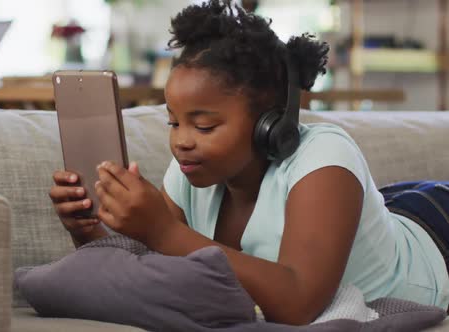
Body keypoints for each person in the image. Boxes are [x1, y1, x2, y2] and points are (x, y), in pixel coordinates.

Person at [49, 0, 449, 325]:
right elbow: (149, 274)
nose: (181, 141)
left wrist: (162, 230)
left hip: (436, 230)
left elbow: (298, 303)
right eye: (173, 122)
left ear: (269, 124)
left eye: (204, 126)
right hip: (387, 212)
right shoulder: (193, 171)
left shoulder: (326, 154)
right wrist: (89, 232)